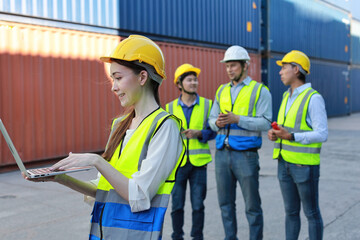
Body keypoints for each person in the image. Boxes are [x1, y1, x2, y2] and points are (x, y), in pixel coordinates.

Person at [24, 35, 185, 240]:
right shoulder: (120, 125)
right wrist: (60, 178)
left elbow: (139, 196)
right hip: (103, 233)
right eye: (113, 80)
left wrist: (96, 160)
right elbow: (103, 189)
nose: (113, 87)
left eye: (118, 78)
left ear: (142, 77)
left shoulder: (165, 127)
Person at [208, 45, 272, 240]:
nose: (229, 70)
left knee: (252, 206)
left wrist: (238, 119)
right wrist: (216, 123)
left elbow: (266, 122)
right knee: (225, 205)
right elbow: (211, 120)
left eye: (233, 65)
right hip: (222, 155)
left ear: (245, 66)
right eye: (227, 66)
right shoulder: (221, 91)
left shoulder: (260, 91)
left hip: (246, 155)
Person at [268, 50, 328, 240]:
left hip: (304, 166)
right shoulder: (286, 96)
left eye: (284, 68)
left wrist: (292, 136)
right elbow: (287, 129)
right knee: (291, 213)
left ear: (296, 69)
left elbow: (322, 133)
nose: (280, 72)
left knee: (311, 214)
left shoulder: (313, 98)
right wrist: (276, 134)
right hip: (284, 163)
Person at [166, 63, 216, 240]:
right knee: (177, 206)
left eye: (195, 79)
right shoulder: (169, 108)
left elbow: (214, 131)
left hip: (199, 164)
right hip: (178, 164)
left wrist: (200, 133)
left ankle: (197, 237)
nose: (194, 82)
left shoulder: (208, 105)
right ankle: (177, 236)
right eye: (189, 80)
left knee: (198, 206)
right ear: (179, 84)